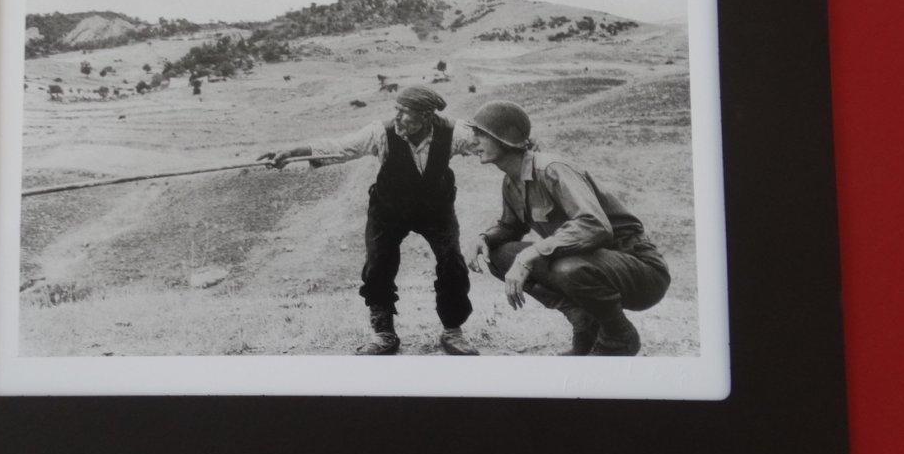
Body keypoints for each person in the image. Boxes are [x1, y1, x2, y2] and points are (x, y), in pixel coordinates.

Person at [258, 86, 480, 356]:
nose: (397, 118)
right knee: (378, 265)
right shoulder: (381, 133)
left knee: (452, 261)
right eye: (396, 110)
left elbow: (489, 141)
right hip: (389, 209)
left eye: (404, 113)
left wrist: (518, 147)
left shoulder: (454, 132)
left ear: (426, 116)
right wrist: (292, 152)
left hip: (436, 209)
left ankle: (452, 331)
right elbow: (340, 148)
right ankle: (384, 333)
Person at [464, 101, 670, 356]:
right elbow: (510, 228)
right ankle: (583, 320)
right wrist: (484, 238)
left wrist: (530, 254)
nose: (472, 141)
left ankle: (619, 337)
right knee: (498, 254)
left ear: (504, 138)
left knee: (566, 267)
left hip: (641, 270)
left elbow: (595, 225)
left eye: (480, 134)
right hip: (591, 264)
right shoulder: (511, 182)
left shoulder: (551, 169)